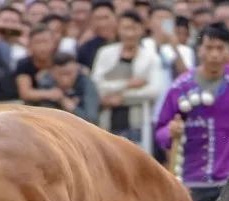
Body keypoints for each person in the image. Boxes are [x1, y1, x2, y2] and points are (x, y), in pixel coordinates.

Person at [155, 23, 229, 201]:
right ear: (199, 50)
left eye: (220, 48)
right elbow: (161, 132)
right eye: (209, 48)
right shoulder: (180, 87)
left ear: (228, 51)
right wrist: (170, 131)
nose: (214, 54)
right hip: (192, 180)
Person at [92, 10, 161, 142]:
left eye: (134, 28)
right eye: (125, 28)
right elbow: (97, 86)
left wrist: (120, 98)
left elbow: (153, 91)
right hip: (107, 121)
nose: (130, 34)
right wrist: (127, 84)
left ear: (141, 30)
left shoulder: (151, 58)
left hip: (137, 123)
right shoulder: (105, 53)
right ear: (118, 29)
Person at [38, 51, 99, 123]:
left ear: (77, 70)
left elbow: (92, 120)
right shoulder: (47, 84)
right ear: (52, 72)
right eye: (60, 74)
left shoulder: (87, 84)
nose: (65, 79)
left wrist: (67, 103)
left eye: (69, 74)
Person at [15, 25, 60, 106]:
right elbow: (25, 93)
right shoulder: (24, 64)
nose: (42, 47)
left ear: (54, 43)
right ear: (30, 45)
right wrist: (51, 94)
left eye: (46, 41)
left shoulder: (61, 60)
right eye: (38, 42)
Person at [77, 0, 116, 68]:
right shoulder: (86, 49)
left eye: (106, 17)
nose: (102, 23)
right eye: (98, 19)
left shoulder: (127, 40)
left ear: (115, 17)